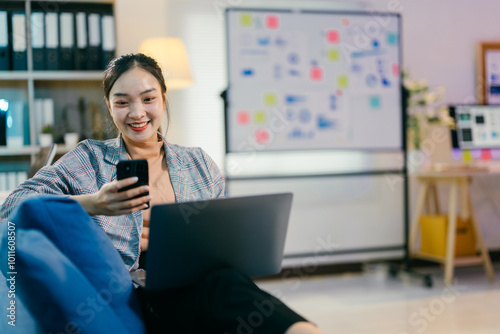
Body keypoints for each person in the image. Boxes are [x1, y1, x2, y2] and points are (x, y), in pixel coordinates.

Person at [0, 53, 324, 334]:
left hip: (202, 283)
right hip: (142, 294)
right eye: (122, 102)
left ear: (164, 99)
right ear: (109, 107)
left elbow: (224, 240)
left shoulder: (198, 162)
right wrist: (92, 203)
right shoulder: (89, 159)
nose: (137, 113)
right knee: (223, 289)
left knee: (224, 283)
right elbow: (13, 205)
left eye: (148, 98)